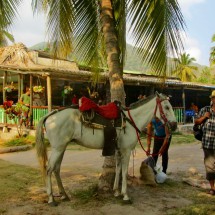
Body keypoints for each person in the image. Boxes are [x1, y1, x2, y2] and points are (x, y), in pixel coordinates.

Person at [194, 90, 215, 195]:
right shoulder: (205, 110)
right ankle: (212, 188)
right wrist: (205, 116)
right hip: (208, 143)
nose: (214, 99)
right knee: (210, 166)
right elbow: (196, 122)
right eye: (213, 98)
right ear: (211, 99)